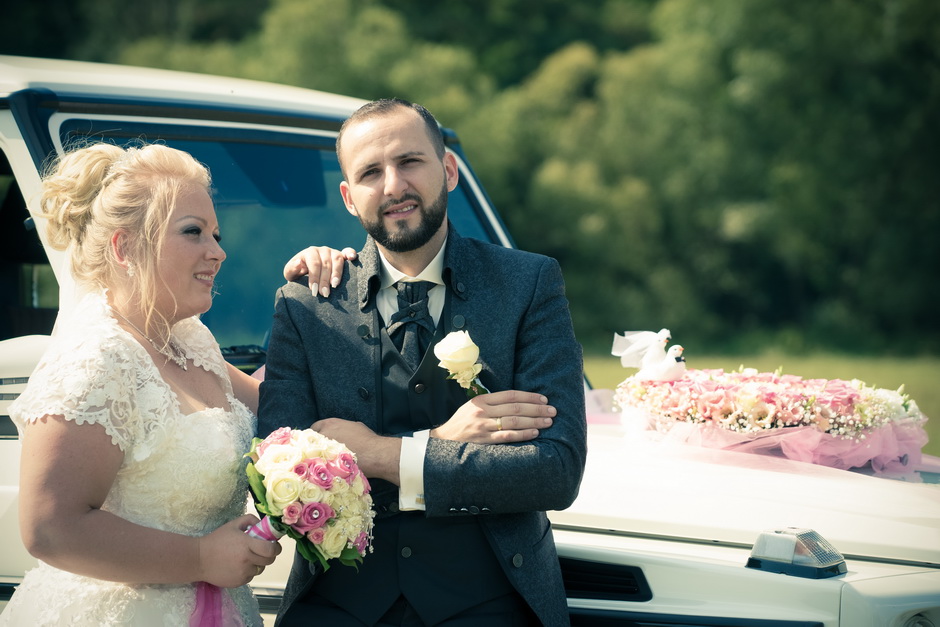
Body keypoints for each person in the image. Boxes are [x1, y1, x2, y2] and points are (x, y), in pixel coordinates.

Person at [259, 98, 588, 627]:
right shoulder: (306, 305)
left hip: (493, 604)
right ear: (348, 197)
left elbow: (554, 472)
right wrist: (445, 443)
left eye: (409, 161)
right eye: (370, 172)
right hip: (338, 607)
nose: (393, 185)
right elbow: (278, 475)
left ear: (449, 171)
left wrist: (380, 453)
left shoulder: (528, 284)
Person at [0, 142, 352, 626]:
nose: (218, 252)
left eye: (215, 233)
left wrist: (330, 299)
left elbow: (286, 412)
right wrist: (202, 558)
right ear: (125, 247)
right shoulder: (94, 357)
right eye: (194, 233)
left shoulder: (189, 340)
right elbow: (50, 528)